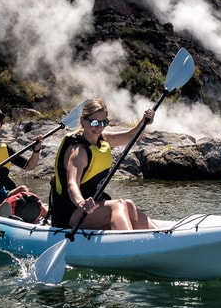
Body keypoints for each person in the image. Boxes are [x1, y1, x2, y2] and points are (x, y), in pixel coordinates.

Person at [49, 98, 158, 231]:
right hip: (71, 212)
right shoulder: (78, 152)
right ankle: (129, 244)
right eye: (95, 122)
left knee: (128, 204)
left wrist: (145, 121)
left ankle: (163, 238)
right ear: (83, 121)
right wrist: (81, 202)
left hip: (92, 207)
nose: (99, 127)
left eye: (103, 122)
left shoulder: (102, 139)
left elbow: (132, 135)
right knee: (118, 205)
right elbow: (72, 184)